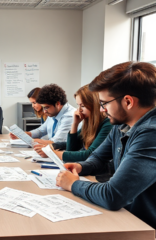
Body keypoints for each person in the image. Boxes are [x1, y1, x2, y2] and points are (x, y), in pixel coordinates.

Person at [56, 61, 156, 229]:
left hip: (144, 228)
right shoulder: (120, 125)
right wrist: (81, 167)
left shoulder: (150, 133)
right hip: (128, 218)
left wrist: (72, 184)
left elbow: (112, 195)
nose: (102, 110)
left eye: (104, 103)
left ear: (128, 102)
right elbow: (97, 158)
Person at [36, 85, 113, 162]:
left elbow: (90, 154)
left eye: (82, 106)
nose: (79, 110)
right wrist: (75, 124)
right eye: (78, 105)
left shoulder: (107, 124)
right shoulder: (89, 123)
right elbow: (71, 149)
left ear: (94, 105)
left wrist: (53, 153)